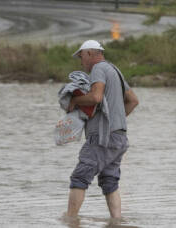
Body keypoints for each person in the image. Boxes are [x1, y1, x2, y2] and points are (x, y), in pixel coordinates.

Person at [66, 40, 139, 219]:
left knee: (80, 176)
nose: (81, 61)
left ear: (90, 53)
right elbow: (133, 100)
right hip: (119, 138)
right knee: (110, 181)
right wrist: (115, 123)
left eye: (81, 56)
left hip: (102, 138)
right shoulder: (115, 71)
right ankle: (117, 221)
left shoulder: (98, 69)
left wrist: (74, 101)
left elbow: (96, 97)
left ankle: (70, 219)